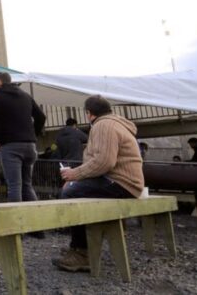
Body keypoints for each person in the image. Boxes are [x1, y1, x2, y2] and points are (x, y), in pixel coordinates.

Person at [53, 95, 144, 273]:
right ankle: (81, 246)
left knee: (71, 193)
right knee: (74, 189)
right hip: (125, 182)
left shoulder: (103, 125)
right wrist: (77, 177)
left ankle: (82, 253)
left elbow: (104, 162)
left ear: (89, 113)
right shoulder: (115, 123)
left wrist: (74, 175)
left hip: (120, 183)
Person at [0, 72, 46, 203]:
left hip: (10, 147)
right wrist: (32, 134)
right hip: (30, 146)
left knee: (14, 186)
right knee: (27, 185)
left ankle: (16, 222)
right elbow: (41, 116)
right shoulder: (26, 96)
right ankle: (36, 218)